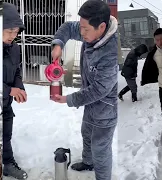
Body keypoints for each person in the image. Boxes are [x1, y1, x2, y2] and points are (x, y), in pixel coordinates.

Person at [50, 1, 118, 180]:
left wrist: (68, 99)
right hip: (90, 104)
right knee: (86, 132)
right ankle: (88, 162)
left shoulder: (110, 52)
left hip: (105, 108)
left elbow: (100, 90)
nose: (81, 32)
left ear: (101, 27)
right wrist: (58, 44)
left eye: (85, 29)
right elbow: (67, 28)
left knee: (100, 148)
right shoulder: (91, 30)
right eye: (81, 27)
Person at [2, 2, 28, 179]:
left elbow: (17, 71)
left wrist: (19, 87)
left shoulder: (15, 48)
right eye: (9, 31)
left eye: (16, 31)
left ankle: (7, 163)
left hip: (6, 104)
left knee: (7, 135)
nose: (13, 35)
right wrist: (9, 90)